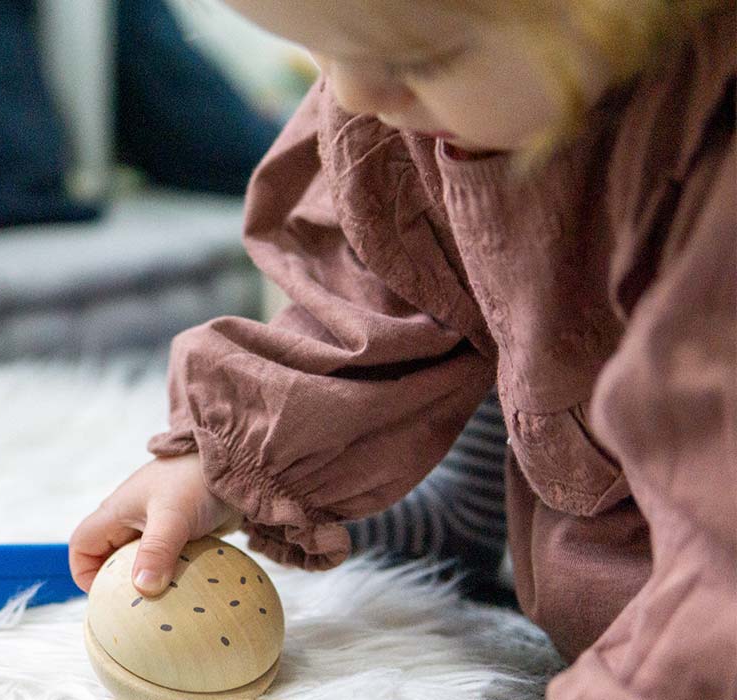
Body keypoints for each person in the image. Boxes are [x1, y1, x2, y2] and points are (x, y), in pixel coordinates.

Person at [68, 1, 736, 698]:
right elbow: (373, 291)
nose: (354, 95)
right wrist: (223, 464)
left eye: (416, 62)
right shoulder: (410, 105)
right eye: (318, 52)